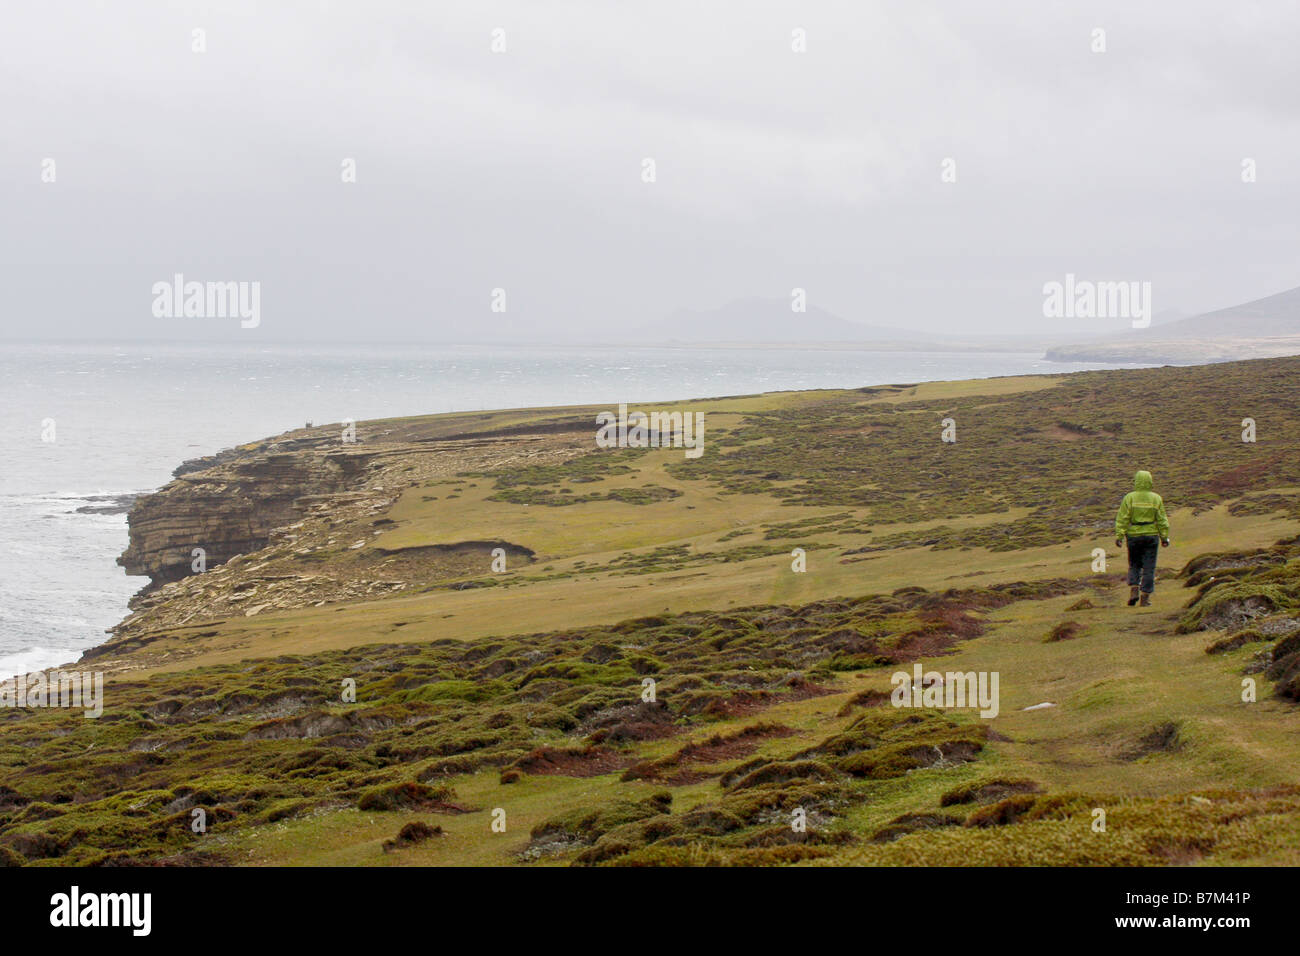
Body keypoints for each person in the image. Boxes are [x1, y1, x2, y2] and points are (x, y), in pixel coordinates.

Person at [1114, 470, 1171, 606]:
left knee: (1134, 564)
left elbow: (1122, 518)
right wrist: (1164, 537)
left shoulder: (1129, 498)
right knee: (1149, 567)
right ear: (1150, 481)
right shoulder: (1156, 498)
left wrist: (1120, 536)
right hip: (1151, 536)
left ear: (1136, 481)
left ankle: (1134, 590)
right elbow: (1162, 520)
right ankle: (1145, 598)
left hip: (1133, 536)